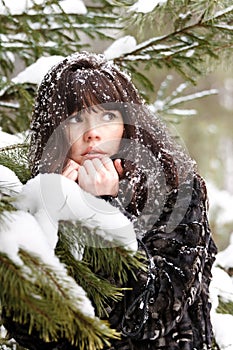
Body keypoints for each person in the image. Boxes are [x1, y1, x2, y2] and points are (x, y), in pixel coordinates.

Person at [7, 52, 218, 349]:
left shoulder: (175, 187)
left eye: (107, 115)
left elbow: (155, 312)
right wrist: (57, 215)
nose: (92, 134)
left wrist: (100, 210)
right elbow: (32, 328)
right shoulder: (33, 196)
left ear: (127, 123)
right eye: (76, 117)